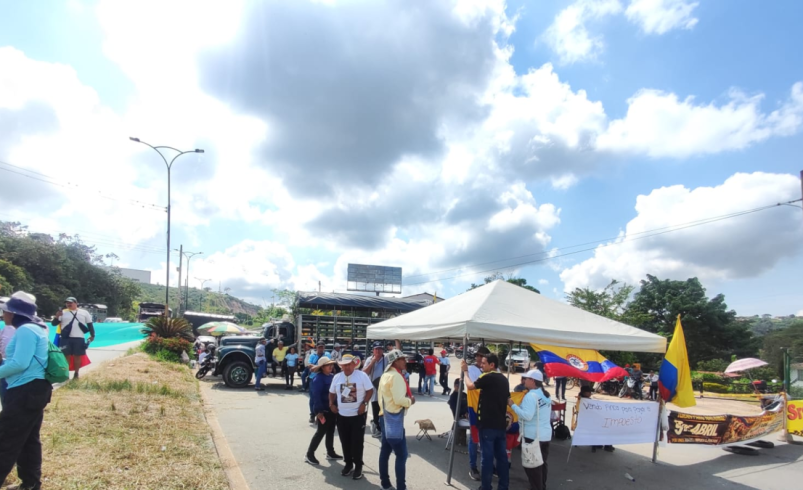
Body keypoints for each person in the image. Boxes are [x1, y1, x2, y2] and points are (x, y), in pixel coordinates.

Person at [0, 292, 52, 490]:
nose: (3, 315)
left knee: (5, 440)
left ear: (14, 313)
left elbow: (20, 363)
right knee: (29, 440)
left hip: (24, 390)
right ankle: (30, 484)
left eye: (5, 311)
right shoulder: (36, 328)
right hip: (34, 390)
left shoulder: (26, 330)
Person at [462, 352, 510, 490]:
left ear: (492, 365)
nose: (481, 366)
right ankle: (503, 487)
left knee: (487, 459)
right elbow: (507, 399)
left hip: (488, 425)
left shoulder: (487, 377)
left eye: (484, 363)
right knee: (502, 459)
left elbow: (470, 386)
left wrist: (465, 372)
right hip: (500, 425)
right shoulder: (504, 379)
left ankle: (486, 487)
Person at [329, 354, 373, 479]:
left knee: (357, 442)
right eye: (344, 365)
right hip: (342, 415)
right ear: (341, 366)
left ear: (354, 364)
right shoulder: (337, 377)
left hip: (357, 415)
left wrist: (364, 404)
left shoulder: (362, 376)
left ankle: (358, 465)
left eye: (349, 364)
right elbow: (331, 392)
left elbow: (370, 390)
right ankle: (348, 464)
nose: (347, 367)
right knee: (345, 441)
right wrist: (331, 404)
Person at [509, 370, 553, 490]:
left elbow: (527, 416)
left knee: (532, 466)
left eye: (526, 378)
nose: (524, 381)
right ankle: (541, 486)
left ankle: (536, 487)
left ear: (532, 381)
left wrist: (512, 405)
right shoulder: (545, 394)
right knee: (542, 463)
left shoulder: (530, 396)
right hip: (545, 434)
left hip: (533, 435)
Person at [378, 349, 415, 490]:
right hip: (394, 418)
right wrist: (410, 401)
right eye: (402, 359)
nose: (405, 361)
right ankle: (401, 487)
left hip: (384, 416)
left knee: (385, 452)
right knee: (402, 455)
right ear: (395, 361)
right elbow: (399, 400)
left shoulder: (385, 375)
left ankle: (385, 483)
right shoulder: (396, 377)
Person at [363, 340, 401, 439]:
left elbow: (398, 354)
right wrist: (372, 362)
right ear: (373, 350)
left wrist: (397, 341)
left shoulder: (387, 358)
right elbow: (364, 373)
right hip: (374, 390)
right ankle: (377, 427)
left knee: (385, 410)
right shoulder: (369, 359)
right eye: (376, 349)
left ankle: (383, 429)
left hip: (386, 390)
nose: (378, 351)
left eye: (380, 349)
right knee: (376, 410)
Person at [305, 357, 338, 465]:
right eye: (328, 365)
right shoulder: (318, 378)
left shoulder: (332, 376)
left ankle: (330, 452)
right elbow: (316, 396)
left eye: (331, 365)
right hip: (323, 409)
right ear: (322, 367)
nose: (331, 367)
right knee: (320, 432)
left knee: (331, 431)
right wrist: (319, 411)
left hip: (332, 408)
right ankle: (309, 454)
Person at [52, 296, 94, 380]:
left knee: (77, 356)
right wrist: (57, 316)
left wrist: (92, 335)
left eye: (70, 302)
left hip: (79, 338)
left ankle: (76, 373)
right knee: (66, 356)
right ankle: (66, 374)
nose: (68, 304)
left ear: (76, 303)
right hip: (65, 338)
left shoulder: (84, 312)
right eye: (67, 303)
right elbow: (54, 324)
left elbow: (90, 324)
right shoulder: (62, 312)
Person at [466, 346, 490, 481]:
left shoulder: (495, 370)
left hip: (490, 410)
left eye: (482, 356)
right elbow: (474, 387)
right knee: (474, 438)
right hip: (476, 408)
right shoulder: (471, 369)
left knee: (489, 438)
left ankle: (489, 466)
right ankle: (473, 467)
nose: (479, 358)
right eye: (478, 355)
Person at [578, 386, 615, 452]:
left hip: (590, 420)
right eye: (589, 392)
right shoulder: (584, 401)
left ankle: (602, 443)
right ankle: (607, 445)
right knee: (607, 425)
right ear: (584, 393)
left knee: (607, 424)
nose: (590, 394)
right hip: (589, 422)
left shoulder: (583, 399)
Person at [307, 342, 331, 424]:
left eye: (322, 347)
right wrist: (318, 366)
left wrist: (317, 367)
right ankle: (312, 414)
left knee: (324, 397)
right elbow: (309, 364)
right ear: (316, 347)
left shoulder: (327, 354)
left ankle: (321, 414)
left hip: (325, 377)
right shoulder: (313, 355)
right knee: (313, 397)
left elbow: (328, 363)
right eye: (319, 347)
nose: (321, 349)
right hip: (313, 377)